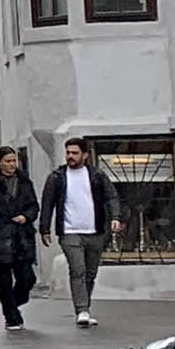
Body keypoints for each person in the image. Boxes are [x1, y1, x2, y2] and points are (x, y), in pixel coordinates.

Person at [0, 145, 44, 330]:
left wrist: (26, 217)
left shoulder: (24, 181)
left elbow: (33, 206)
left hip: (22, 237)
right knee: (3, 280)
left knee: (27, 278)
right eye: (8, 161)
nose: (12, 164)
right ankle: (11, 316)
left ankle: (14, 303)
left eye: (14, 161)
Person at [50, 137, 117, 326]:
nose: (70, 156)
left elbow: (111, 196)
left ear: (85, 155)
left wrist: (115, 217)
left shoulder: (96, 175)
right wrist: (45, 228)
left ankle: (85, 306)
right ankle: (82, 310)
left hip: (95, 231)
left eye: (75, 153)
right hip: (70, 231)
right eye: (68, 153)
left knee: (90, 272)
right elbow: (49, 202)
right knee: (77, 269)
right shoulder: (58, 176)